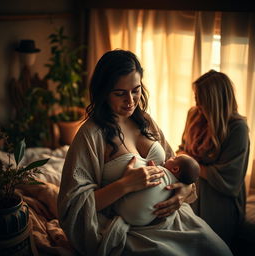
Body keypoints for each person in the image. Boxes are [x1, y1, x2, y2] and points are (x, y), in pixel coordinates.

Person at [57, 50, 233, 256]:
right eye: (119, 93)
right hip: (132, 230)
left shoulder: (146, 121)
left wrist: (184, 191)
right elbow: (73, 207)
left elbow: (177, 167)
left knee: (219, 250)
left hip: (173, 218)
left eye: (136, 90)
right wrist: (125, 185)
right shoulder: (91, 135)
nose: (130, 101)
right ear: (104, 92)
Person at [177, 69, 250, 247]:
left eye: (200, 98)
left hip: (220, 198)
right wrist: (185, 160)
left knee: (208, 244)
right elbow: (181, 150)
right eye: (196, 97)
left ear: (214, 101)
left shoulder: (237, 128)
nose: (197, 102)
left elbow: (229, 180)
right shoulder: (194, 114)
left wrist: (191, 164)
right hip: (194, 186)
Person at [113, 153, 200, 226]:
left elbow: (152, 177)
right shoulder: (174, 188)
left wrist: (188, 188)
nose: (170, 157)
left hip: (120, 210)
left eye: (173, 158)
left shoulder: (161, 171)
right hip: (143, 221)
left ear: (175, 169)